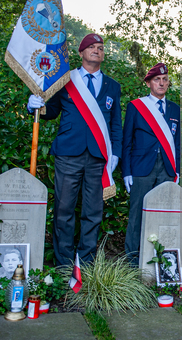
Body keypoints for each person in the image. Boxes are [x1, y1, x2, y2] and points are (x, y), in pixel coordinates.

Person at [27, 33, 122, 266]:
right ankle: (64, 263)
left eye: (100, 47)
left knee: (93, 212)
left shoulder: (112, 86)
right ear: (81, 53)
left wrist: (116, 153)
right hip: (68, 153)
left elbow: (115, 124)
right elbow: (52, 110)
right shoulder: (66, 79)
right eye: (91, 47)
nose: (96, 50)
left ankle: (86, 262)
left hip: (99, 157)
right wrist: (35, 106)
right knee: (64, 210)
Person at [122, 63, 180, 266]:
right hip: (141, 168)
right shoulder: (136, 106)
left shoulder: (175, 109)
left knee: (164, 215)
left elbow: (178, 143)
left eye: (165, 79)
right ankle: (132, 260)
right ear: (148, 83)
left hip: (166, 169)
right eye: (157, 79)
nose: (162, 83)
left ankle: (160, 260)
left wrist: (177, 171)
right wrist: (126, 172)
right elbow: (126, 141)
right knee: (137, 214)